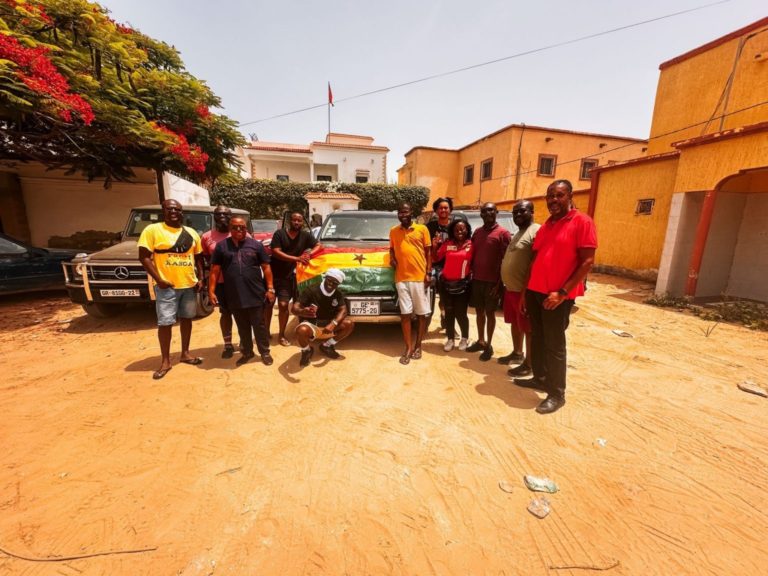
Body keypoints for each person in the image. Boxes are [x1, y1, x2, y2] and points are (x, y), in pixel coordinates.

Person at [514, 180, 597, 415]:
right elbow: (535, 260)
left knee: (554, 345)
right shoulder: (547, 225)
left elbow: (587, 262)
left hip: (556, 296)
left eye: (559, 195)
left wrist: (562, 293)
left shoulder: (582, 222)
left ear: (569, 196)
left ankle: (557, 393)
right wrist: (524, 293)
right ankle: (539, 378)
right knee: (537, 337)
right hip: (535, 292)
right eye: (550, 196)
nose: (553, 200)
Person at [138, 199, 204, 380]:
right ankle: (165, 361)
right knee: (165, 323)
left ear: (182, 212)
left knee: (187, 319)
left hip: (188, 285)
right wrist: (159, 279)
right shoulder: (152, 230)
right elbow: (144, 257)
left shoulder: (191, 233)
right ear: (163, 211)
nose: (174, 212)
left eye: (177, 209)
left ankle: (185, 353)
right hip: (167, 286)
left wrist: (200, 278)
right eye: (170, 209)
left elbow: (198, 257)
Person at [209, 216, 275, 366]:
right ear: (230, 229)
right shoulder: (221, 247)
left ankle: (265, 352)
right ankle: (247, 352)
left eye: (242, 227)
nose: (239, 230)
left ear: (246, 229)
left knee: (259, 325)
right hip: (234, 293)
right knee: (242, 326)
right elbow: (215, 271)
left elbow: (266, 267)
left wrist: (270, 288)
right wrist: (211, 291)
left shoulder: (256, 245)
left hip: (255, 292)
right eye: (235, 227)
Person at [498, 200, 540, 377]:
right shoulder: (519, 232)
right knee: (516, 323)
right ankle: (517, 353)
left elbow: (535, 262)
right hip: (511, 290)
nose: (517, 216)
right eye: (515, 213)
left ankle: (529, 364)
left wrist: (525, 291)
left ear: (532, 211)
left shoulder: (536, 230)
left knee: (528, 328)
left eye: (522, 212)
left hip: (525, 292)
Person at [267, 212, 321, 347]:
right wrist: (297, 258)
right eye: (294, 220)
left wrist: (308, 254)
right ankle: (269, 332)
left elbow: (319, 246)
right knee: (274, 304)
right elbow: (276, 251)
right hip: (276, 275)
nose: (297, 223)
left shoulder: (305, 235)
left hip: (293, 276)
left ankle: (283, 334)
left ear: (302, 223)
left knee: (291, 305)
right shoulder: (279, 234)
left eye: (299, 221)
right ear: (289, 221)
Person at [466, 202, 511, 361]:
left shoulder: (503, 234)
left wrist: (500, 285)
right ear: (481, 214)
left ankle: (489, 345)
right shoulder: (477, 232)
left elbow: (506, 261)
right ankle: (481, 340)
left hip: (493, 282)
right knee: (479, 311)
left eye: (491, 210)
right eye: (484, 211)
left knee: (490, 313)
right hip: (477, 280)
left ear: (496, 212)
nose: (487, 213)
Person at [389, 202, 432, 365]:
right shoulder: (393, 231)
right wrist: (392, 258)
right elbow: (391, 248)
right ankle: (408, 347)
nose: (403, 214)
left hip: (419, 278)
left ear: (411, 212)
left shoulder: (422, 229)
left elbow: (428, 252)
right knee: (405, 314)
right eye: (400, 212)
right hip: (401, 278)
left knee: (421, 314)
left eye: (405, 211)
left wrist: (428, 273)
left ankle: (418, 345)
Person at [291, 268, 355, 367]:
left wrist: (333, 324)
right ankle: (307, 350)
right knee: (301, 330)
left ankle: (327, 345)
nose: (331, 284)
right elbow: (294, 308)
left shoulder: (337, 293)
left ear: (338, 285)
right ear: (325, 278)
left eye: (335, 283)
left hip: (328, 327)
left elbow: (344, 310)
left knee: (349, 324)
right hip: (313, 326)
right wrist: (302, 311)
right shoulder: (311, 290)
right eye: (329, 280)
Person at [201, 205, 238, 358]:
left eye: (226, 214)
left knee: (242, 313)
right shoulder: (206, 237)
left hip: (239, 282)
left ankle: (245, 341)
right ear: (214, 216)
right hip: (221, 283)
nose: (222, 216)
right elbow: (206, 259)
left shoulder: (241, 233)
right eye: (219, 214)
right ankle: (228, 344)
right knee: (225, 313)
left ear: (231, 217)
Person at [434, 218, 473, 352]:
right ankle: (450, 339)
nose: (459, 231)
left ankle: (464, 338)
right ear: (452, 231)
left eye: (462, 229)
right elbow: (436, 258)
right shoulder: (448, 244)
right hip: (446, 284)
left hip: (463, 285)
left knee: (461, 314)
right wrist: (435, 246)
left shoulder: (471, 245)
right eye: (456, 229)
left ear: (467, 230)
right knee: (449, 313)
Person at [426, 197, 454, 329]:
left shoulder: (456, 226)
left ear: (450, 210)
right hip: (433, 264)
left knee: (447, 296)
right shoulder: (430, 227)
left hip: (451, 265)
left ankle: (446, 319)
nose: (443, 210)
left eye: (446, 208)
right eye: (440, 208)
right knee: (428, 293)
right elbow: (425, 249)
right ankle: (425, 322)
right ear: (436, 210)